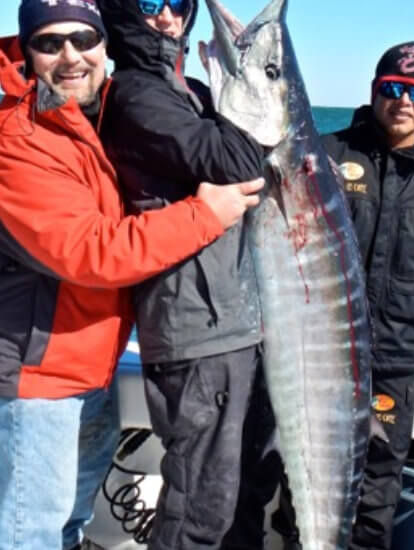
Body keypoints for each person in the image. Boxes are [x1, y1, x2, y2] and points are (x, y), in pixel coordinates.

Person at [0, 1, 264, 549]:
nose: (70, 56)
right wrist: (205, 214)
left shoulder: (86, 118)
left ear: (104, 44)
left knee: (68, 526)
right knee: (30, 536)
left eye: (82, 39)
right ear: (27, 51)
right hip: (36, 384)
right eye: (50, 43)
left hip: (89, 370)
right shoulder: (17, 138)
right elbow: (91, 253)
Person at [273, 42, 414, 550]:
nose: (403, 101)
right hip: (320, 359)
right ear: (374, 92)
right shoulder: (326, 156)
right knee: (306, 479)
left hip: (394, 362)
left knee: (377, 493)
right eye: (391, 89)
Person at [95, 1, 279, 549]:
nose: (168, 17)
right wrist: (257, 80)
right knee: (200, 507)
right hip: (197, 329)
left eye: (180, 2)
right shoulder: (135, 96)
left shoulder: (191, 91)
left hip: (242, 320)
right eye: (150, 2)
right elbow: (242, 163)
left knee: (249, 489)